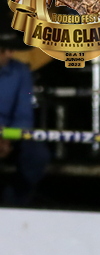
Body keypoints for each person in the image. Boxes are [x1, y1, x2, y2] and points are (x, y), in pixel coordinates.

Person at [0, 33, 49, 206]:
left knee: (38, 154)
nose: (10, 53)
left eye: (11, 49)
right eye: (4, 49)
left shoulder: (21, 71)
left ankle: (16, 203)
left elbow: (24, 114)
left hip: (12, 137)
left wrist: (7, 139)